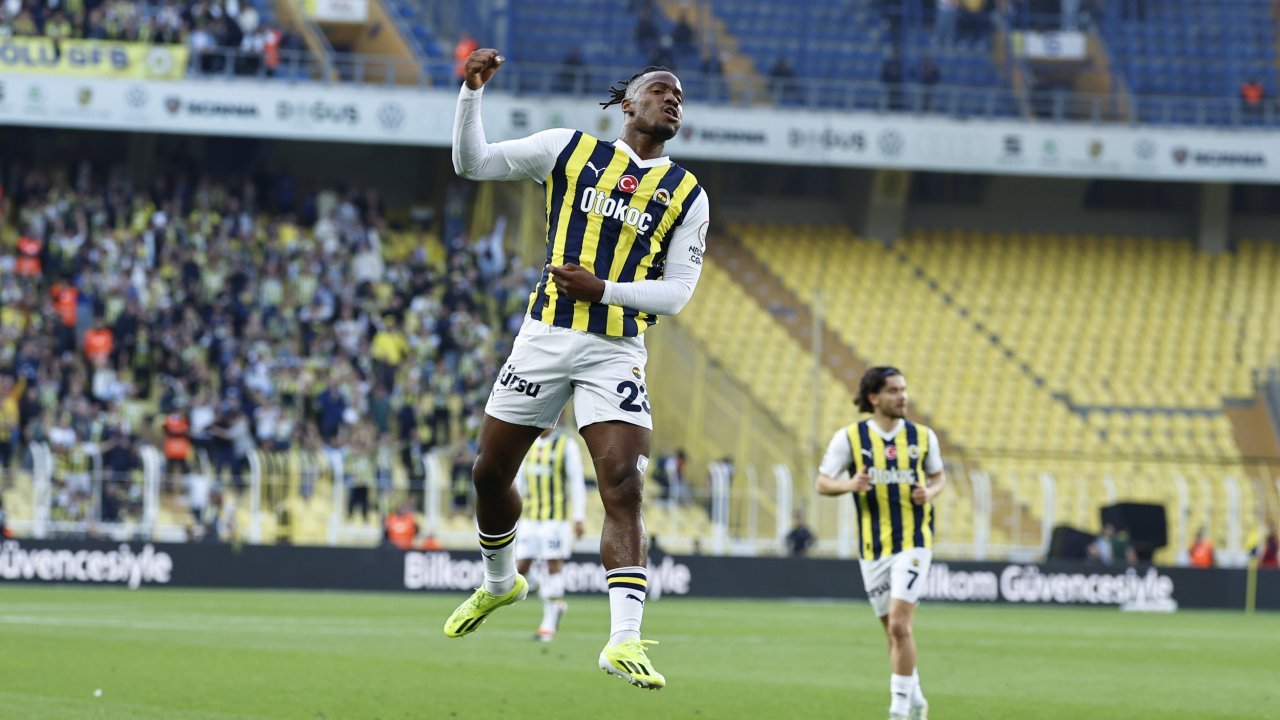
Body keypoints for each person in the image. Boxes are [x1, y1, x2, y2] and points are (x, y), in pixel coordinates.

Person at [443, 47, 709, 693]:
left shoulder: (687, 194)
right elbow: (473, 163)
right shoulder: (568, 150)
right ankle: (500, 583)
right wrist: (472, 94)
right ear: (628, 103)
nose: (673, 99)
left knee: (623, 485)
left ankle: (623, 639)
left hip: (617, 348)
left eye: (679, 95)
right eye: (660, 90)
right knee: (489, 473)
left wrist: (604, 291)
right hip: (545, 335)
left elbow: (678, 293)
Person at [816, 366, 946, 720]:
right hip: (873, 549)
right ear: (874, 397)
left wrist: (930, 492)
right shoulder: (850, 438)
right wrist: (850, 485)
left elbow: (938, 477)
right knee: (892, 631)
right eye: (893, 390)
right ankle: (915, 696)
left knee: (901, 625)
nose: (902, 396)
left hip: (915, 542)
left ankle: (898, 711)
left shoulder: (923, 437)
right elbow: (823, 482)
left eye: (903, 389)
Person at [513, 427, 586, 641]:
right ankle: (551, 597)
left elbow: (576, 482)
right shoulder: (526, 444)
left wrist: (579, 517)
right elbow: (519, 481)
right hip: (529, 518)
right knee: (519, 570)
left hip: (555, 520)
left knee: (553, 564)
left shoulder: (566, 445)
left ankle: (548, 624)